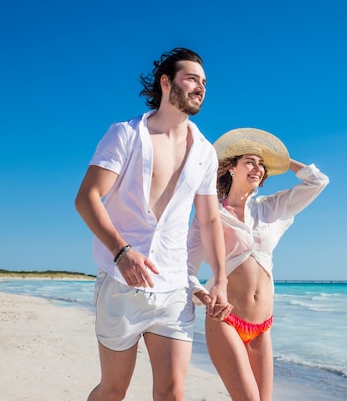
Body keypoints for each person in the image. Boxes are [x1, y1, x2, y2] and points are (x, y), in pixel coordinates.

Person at [75, 47, 232, 401]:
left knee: (173, 393)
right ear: (166, 82)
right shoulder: (125, 134)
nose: (201, 87)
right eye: (192, 78)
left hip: (174, 286)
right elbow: (86, 198)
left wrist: (220, 277)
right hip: (120, 283)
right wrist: (121, 252)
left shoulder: (205, 152)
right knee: (114, 389)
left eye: (204, 82)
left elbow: (208, 219)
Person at [187, 128, 329, 401]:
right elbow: (187, 267)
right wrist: (203, 295)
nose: (258, 168)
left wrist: (282, 161)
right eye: (250, 161)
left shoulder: (271, 207)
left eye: (261, 164)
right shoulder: (210, 213)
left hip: (263, 326)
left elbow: (318, 181)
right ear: (231, 168)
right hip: (225, 319)